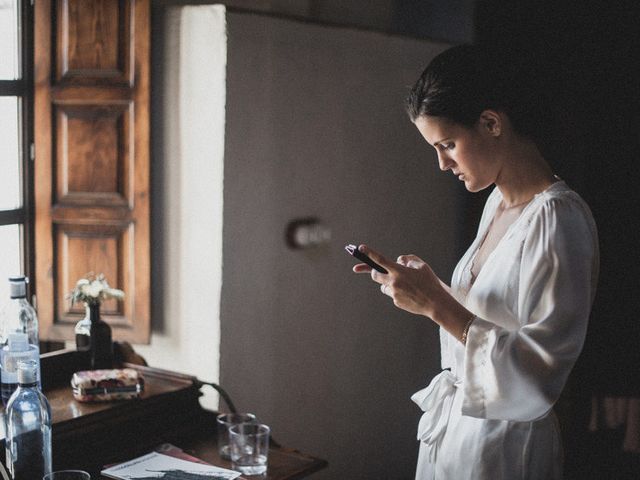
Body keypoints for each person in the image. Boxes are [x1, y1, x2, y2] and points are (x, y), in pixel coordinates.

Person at [352, 44, 599, 479]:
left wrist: (435, 305)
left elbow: (540, 374)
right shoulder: (497, 204)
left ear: (490, 123)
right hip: (460, 434)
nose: (442, 164)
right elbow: (496, 314)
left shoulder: (559, 219)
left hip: (506, 450)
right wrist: (428, 288)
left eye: (448, 144)